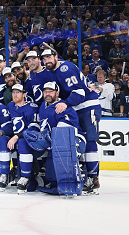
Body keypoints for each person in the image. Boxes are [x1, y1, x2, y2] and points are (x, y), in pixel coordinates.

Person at [41, 49, 101, 195]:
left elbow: (79, 92)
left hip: (87, 105)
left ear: (56, 56)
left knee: (90, 141)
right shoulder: (55, 71)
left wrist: (66, 103)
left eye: (49, 57)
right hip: (77, 107)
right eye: (44, 58)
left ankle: (93, 180)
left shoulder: (64, 68)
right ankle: (86, 177)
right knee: (77, 142)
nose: (47, 60)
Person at [6, 84, 40, 194]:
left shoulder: (32, 107)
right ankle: (13, 173)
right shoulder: (10, 106)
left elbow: (34, 128)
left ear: (24, 94)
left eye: (18, 92)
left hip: (31, 140)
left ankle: (26, 177)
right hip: (17, 140)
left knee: (21, 142)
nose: (15, 95)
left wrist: (17, 136)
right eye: (13, 92)